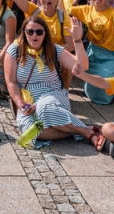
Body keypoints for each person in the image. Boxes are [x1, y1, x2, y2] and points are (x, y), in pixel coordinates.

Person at [5, 14, 101, 150]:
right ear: (24, 33)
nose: (34, 35)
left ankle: (88, 133)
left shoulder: (54, 49)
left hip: (53, 95)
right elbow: (11, 82)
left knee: (44, 108)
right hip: (28, 99)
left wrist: (77, 40)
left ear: (45, 34)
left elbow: (83, 66)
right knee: (30, 131)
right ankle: (79, 127)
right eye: (30, 31)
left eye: (39, 32)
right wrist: (21, 104)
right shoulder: (15, 50)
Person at [69, 0, 114, 105]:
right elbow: (64, 9)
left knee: (106, 83)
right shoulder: (85, 10)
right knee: (91, 88)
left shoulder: (113, 12)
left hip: (111, 56)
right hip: (93, 55)